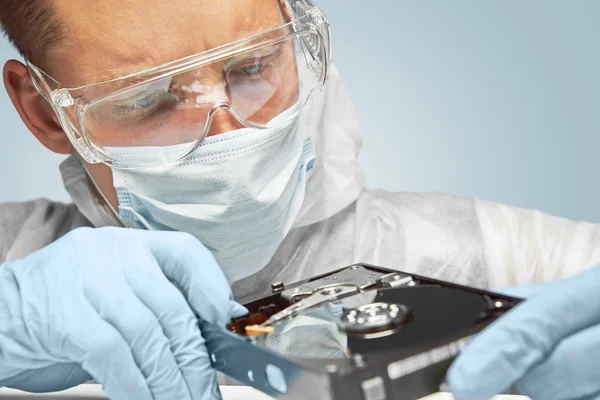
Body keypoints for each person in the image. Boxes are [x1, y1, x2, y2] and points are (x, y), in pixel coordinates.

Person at [0, 1, 597, 399]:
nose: (227, 140)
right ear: (43, 111)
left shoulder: (504, 258)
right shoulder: (18, 291)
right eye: (144, 100)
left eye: (254, 66)